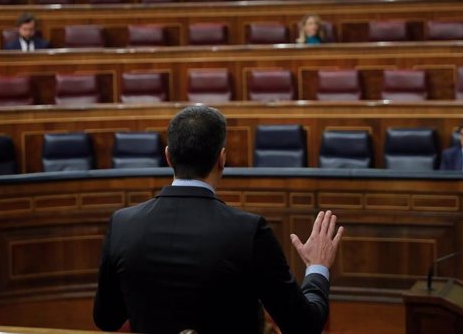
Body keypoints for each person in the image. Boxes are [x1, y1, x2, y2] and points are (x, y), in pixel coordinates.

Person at [94, 106, 344, 334]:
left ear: (169, 157)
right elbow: (304, 326)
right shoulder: (248, 231)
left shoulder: (122, 224)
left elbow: (106, 319)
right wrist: (317, 267)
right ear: (221, 159)